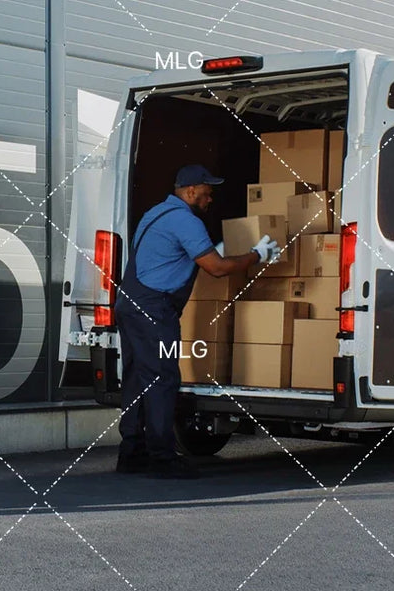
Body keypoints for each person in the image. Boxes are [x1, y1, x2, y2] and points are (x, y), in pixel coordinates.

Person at [115, 164, 278, 479]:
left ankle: (131, 453)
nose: (210, 198)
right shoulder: (185, 221)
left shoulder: (156, 213)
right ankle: (162, 458)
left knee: (137, 378)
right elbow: (216, 269)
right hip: (154, 310)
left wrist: (213, 250)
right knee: (162, 378)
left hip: (130, 304)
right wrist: (256, 255)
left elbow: (171, 257)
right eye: (206, 192)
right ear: (190, 191)